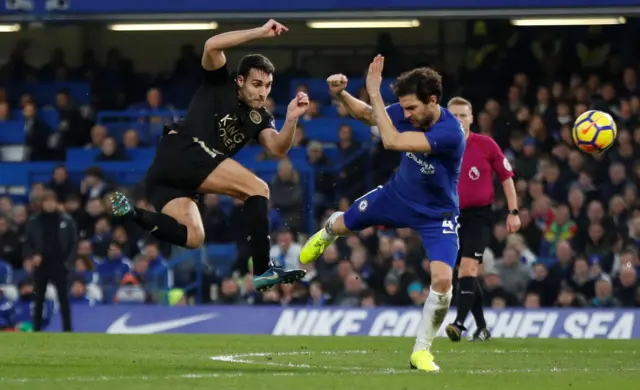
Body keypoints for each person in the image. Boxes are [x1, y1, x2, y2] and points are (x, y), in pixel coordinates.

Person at [110, 20, 308, 292]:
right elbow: (212, 45)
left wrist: (292, 119)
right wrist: (260, 32)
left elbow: (277, 148)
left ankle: (133, 213)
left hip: (170, 178)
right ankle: (262, 269)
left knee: (193, 237)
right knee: (258, 188)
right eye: (257, 84)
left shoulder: (260, 117)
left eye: (268, 86)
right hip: (183, 149)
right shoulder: (220, 83)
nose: (262, 92)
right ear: (240, 80)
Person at [300, 55, 465, 372]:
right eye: (402, 108)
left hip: (437, 214)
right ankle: (326, 234)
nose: (405, 114)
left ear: (433, 101)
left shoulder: (450, 133)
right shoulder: (410, 114)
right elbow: (366, 115)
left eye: (412, 108)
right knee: (344, 224)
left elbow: (391, 140)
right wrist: (342, 95)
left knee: (444, 280)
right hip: (396, 196)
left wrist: (374, 90)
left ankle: (421, 351)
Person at [444, 97, 521, 342]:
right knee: (463, 273)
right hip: (451, 216)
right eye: (453, 115)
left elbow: (506, 177)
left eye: (462, 115)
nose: (458, 120)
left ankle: (458, 324)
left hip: (479, 216)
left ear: (471, 119)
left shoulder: (486, 145)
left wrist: (513, 211)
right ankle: (482, 327)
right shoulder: (440, 147)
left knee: (467, 268)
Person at [23, 190, 77, 332]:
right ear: (42, 203)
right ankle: (37, 329)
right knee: (39, 298)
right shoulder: (34, 221)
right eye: (46, 201)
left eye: (52, 201)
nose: (49, 204)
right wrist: (33, 255)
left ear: (56, 203)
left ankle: (67, 329)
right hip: (41, 264)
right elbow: (27, 241)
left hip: (60, 264)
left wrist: (68, 262)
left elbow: (73, 242)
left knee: (63, 298)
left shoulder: (66, 220)